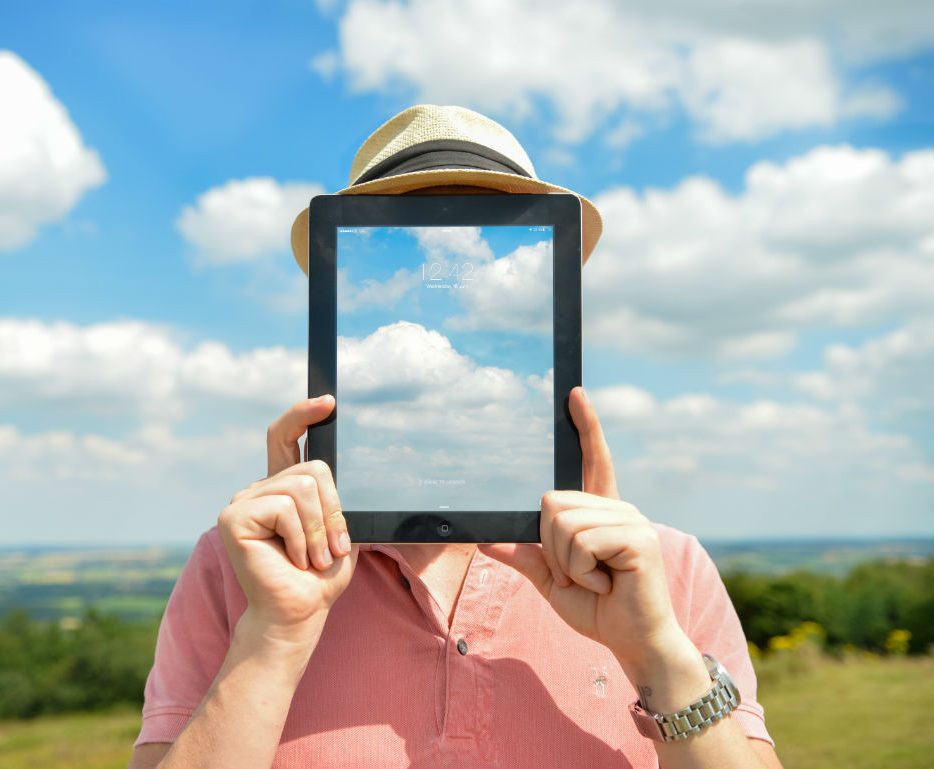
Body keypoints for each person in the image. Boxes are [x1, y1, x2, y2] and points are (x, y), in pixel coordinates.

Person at [127, 105, 783, 769]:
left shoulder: (665, 570)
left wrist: (657, 653)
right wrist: (270, 638)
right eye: (395, 249)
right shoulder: (234, 569)